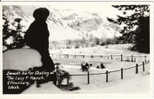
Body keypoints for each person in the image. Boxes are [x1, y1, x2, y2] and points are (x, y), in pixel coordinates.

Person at [25, 8, 55, 72]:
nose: (46, 17)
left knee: (48, 69)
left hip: (41, 52)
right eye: (45, 15)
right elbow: (28, 38)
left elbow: (27, 38)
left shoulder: (39, 24)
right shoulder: (38, 25)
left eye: (46, 16)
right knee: (48, 69)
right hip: (40, 52)